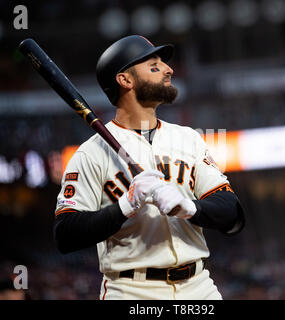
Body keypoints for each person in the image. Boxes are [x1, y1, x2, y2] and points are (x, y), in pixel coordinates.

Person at [53, 35, 245, 300]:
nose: (169, 69)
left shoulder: (187, 138)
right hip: (132, 290)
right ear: (125, 80)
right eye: (154, 66)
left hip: (199, 287)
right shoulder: (89, 154)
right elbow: (65, 234)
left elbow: (232, 213)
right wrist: (125, 206)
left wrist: (192, 208)